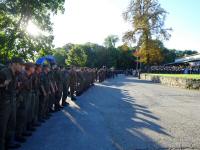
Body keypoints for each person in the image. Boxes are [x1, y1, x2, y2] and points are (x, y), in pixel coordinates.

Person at [0, 57, 24, 150]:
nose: (22, 67)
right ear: (14, 63)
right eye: (20, 64)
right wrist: (3, 84)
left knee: (11, 123)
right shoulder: (4, 72)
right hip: (4, 103)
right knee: (2, 126)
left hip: (12, 102)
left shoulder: (16, 74)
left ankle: (9, 143)